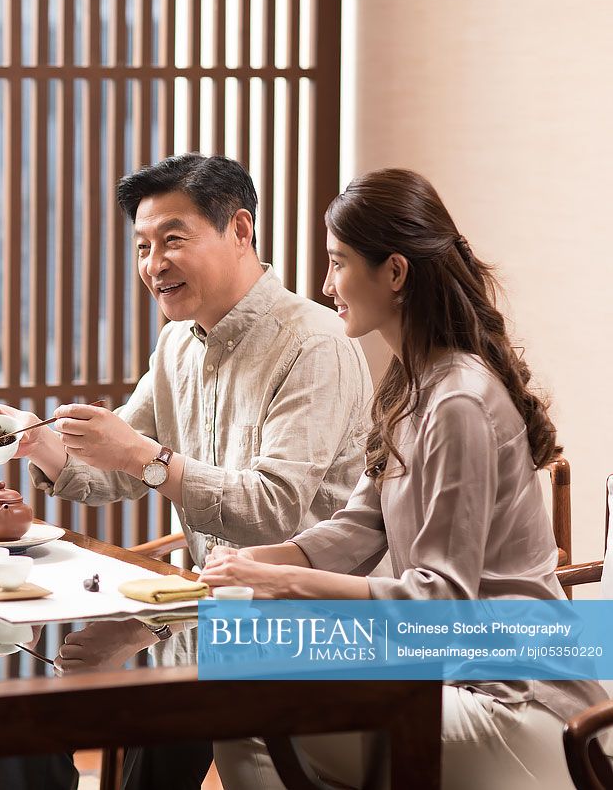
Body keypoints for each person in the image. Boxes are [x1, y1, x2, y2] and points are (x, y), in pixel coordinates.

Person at [0, 153, 374, 788]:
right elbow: (121, 471)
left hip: (300, 635)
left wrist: (141, 461)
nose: (153, 265)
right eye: (143, 245)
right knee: (72, 741)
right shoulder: (179, 342)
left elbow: (273, 509)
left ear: (240, 230)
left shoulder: (315, 343)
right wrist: (35, 443)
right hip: (202, 620)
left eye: (172, 240)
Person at [201, 168, 608, 789]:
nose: (325, 283)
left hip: (522, 703)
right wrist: (252, 563)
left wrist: (279, 580)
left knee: (248, 702)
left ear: (394, 273)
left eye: (338, 263)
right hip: (453, 675)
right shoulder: (410, 385)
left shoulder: (459, 401)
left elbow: (440, 600)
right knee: (238, 669)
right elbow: (360, 529)